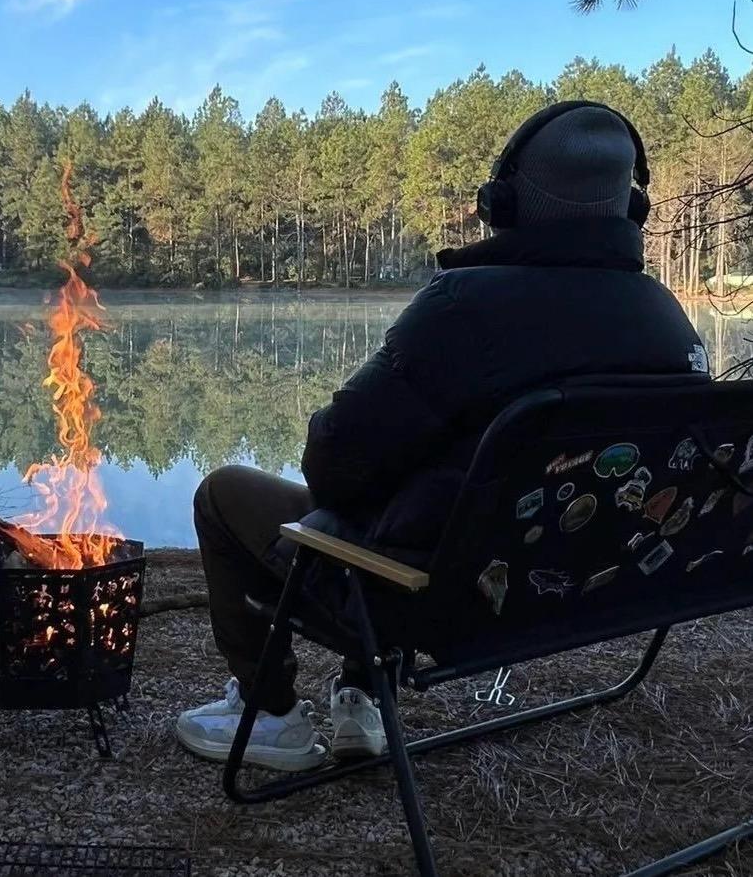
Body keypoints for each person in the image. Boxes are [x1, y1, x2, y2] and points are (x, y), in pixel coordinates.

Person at [176, 101, 709, 772]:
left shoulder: (462, 308)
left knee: (225, 493)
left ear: (502, 202)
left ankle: (271, 713)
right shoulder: (667, 318)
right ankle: (359, 696)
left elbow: (332, 467)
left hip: (442, 599)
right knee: (421, 487)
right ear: (629, 209)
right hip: (601, 585)